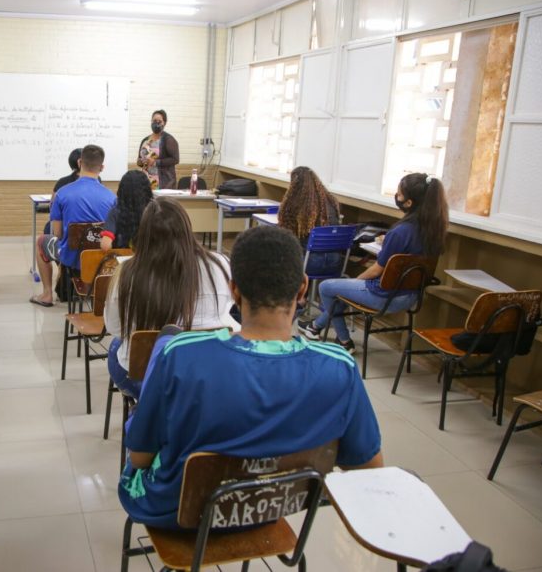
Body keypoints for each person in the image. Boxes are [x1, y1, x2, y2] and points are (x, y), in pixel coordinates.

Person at [119, 225, 384, 529]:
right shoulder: (340, 369)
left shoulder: (180, 355)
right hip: (271, 510)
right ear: (302, 289)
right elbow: (369, 469)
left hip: (179, 514)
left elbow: (139, 457)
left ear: (234, 291)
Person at [299, 172, 448, 353]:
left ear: (409, 203)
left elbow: (377, 270)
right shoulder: (435, 231)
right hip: (411, 297)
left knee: (327, 287)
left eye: (400, 194)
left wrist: (354, 282)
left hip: (384, 297)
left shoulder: (400, 232)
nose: (397, 197)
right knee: (343, 292)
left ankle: (344, 341)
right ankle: (315, 326)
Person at [104, 197, 237, 398]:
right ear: (187, 229)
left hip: (143, 376)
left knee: (116, 345)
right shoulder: (219, 264)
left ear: (145, 233)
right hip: (203, 374)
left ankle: (149, 411)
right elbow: (229, 307)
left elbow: (114, 327)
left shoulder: (127, 272)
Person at [30, 144, 115, 307]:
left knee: (41, 241)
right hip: (101, 257)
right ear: (102, 167)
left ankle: (47, 294)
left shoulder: (62, 193)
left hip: (71, 256)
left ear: (80, 162)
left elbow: (57, 233)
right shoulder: (111, 197)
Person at [278, 165, 343, 275]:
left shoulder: (294, 204)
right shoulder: (331, 201)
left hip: (309, 262)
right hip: (335, 262)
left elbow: (287, 236)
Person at [100, 169, 153, 250]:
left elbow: (105, 246)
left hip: (122, 259)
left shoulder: (115, 212)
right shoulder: (152, 211)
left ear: (121, 189)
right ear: (147, 190)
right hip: (147, 259)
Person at [136, 109, 179, 190]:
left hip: (164, 184)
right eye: (154, 120)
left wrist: (155, 162)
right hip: (146, 183)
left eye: (159, 121)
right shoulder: (145, 140)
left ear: (165, 123)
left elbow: (175, 159)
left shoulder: (168, 140)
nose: (156, 123)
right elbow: (139, 161)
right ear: (151, 121)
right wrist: (141, 161)